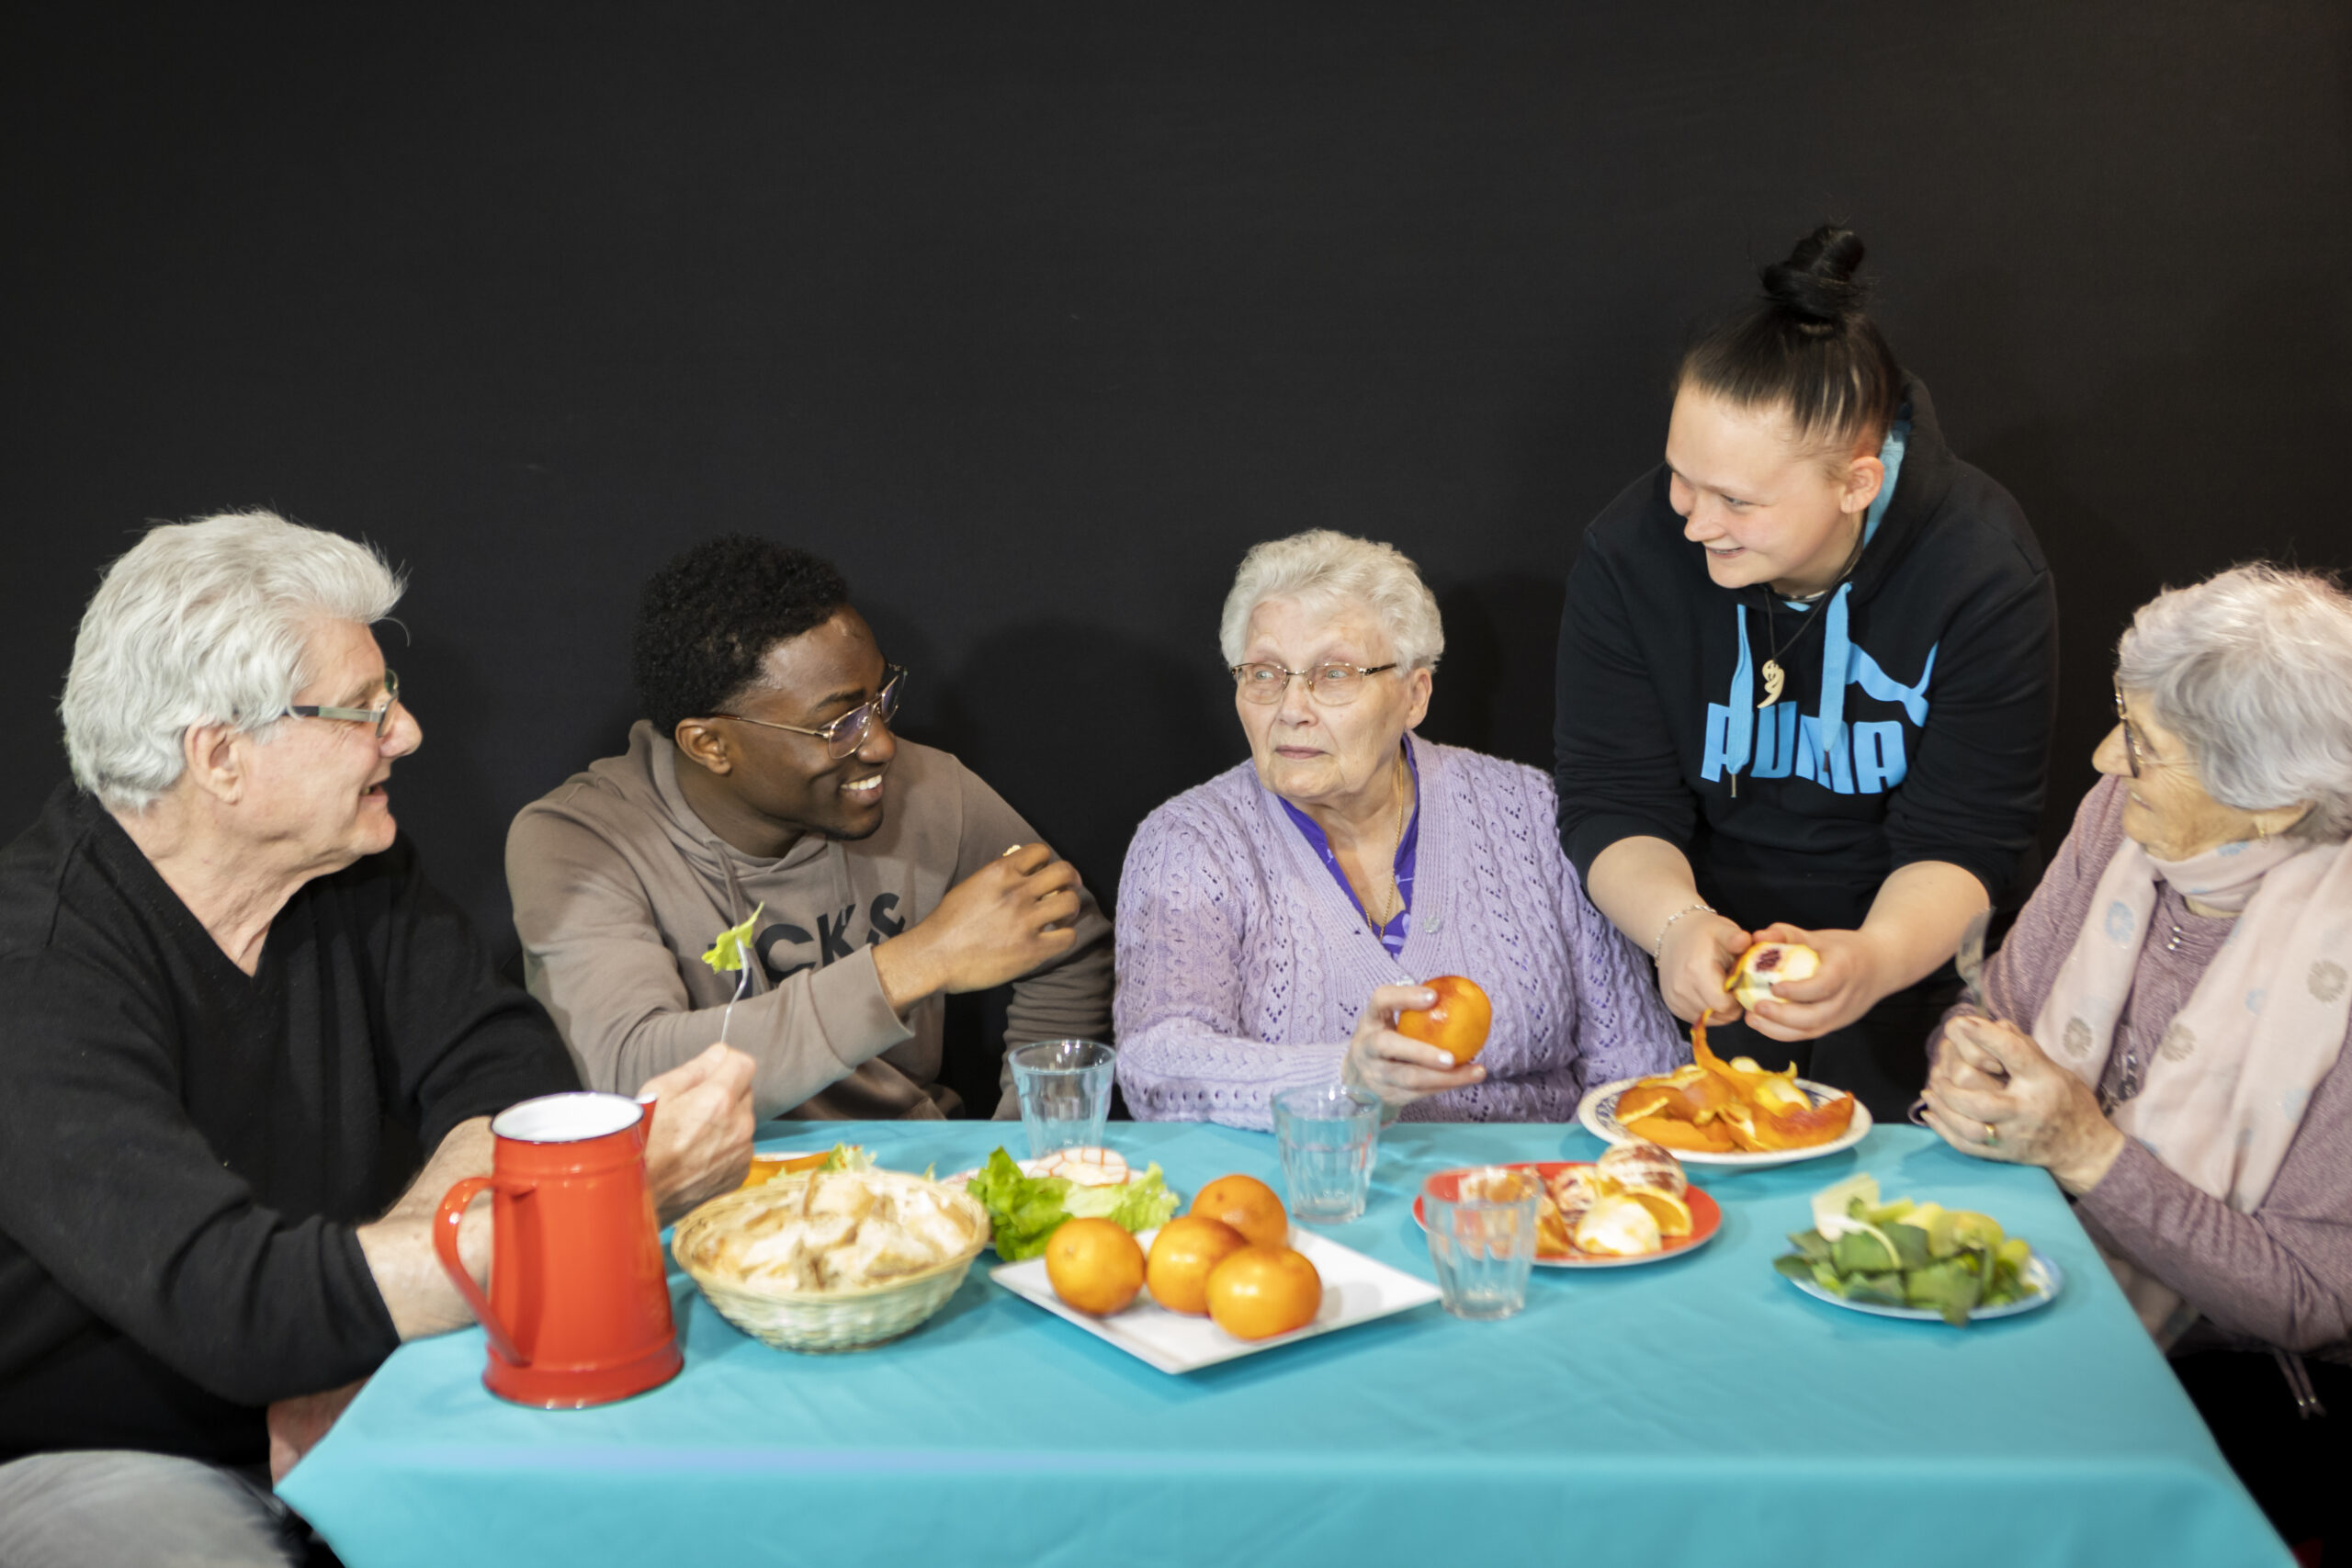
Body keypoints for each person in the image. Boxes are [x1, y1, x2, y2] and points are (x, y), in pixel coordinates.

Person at [0, 512, 755, 1567]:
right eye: (362, 710)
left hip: (367, 1376)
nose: (404, 734)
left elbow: (506, 1069)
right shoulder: (32, 970)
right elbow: (232, 1304)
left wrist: (353, 1333)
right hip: (88, 1454)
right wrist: (606, 1202)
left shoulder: (349, 865)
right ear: (220, 757)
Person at [1554, 225, 2057, 1118]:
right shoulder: (1629, 549)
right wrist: (1676, 928)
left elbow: (1965, 837)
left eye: (1737, 501)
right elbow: (1612, 799)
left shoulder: (1980, 570)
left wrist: (1871, 958)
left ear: (1856, 484)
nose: (1694, 523)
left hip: (1912, 959)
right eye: (1681, 478)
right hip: (1694, 938)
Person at [1919, 564, 2352, 1553]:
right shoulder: (2118, 825)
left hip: (2246, 1385)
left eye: (2147, 748)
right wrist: (1967, 1061)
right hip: (2037, 1291)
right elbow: (1995, 1015)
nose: (2105, 755)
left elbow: (2311, 1303)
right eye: (2126, 717)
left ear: (2275, 804)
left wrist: (2084, 1154)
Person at [508, 535, 1113, 1122]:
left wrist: (1027, 1143)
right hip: (708, 1197)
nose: (880, 744)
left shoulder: (929, 791)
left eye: (880, 698)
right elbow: (630, 1070)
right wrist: (922, 959)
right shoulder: (579, 840)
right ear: (711, 744)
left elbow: (1070, 936)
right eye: (838, 725)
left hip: (908, 1183)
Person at [1116, 530, 1684, 1130]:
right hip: (1307, 1197)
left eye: (1333, 674)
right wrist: (1344, 1076)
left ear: (1415, 695)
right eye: (1264, 673)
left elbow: (1640, 1066)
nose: (1291, 707)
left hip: (1535, 1197)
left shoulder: (1531, 812)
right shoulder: (1189, 842)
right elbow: (1156, 1067)